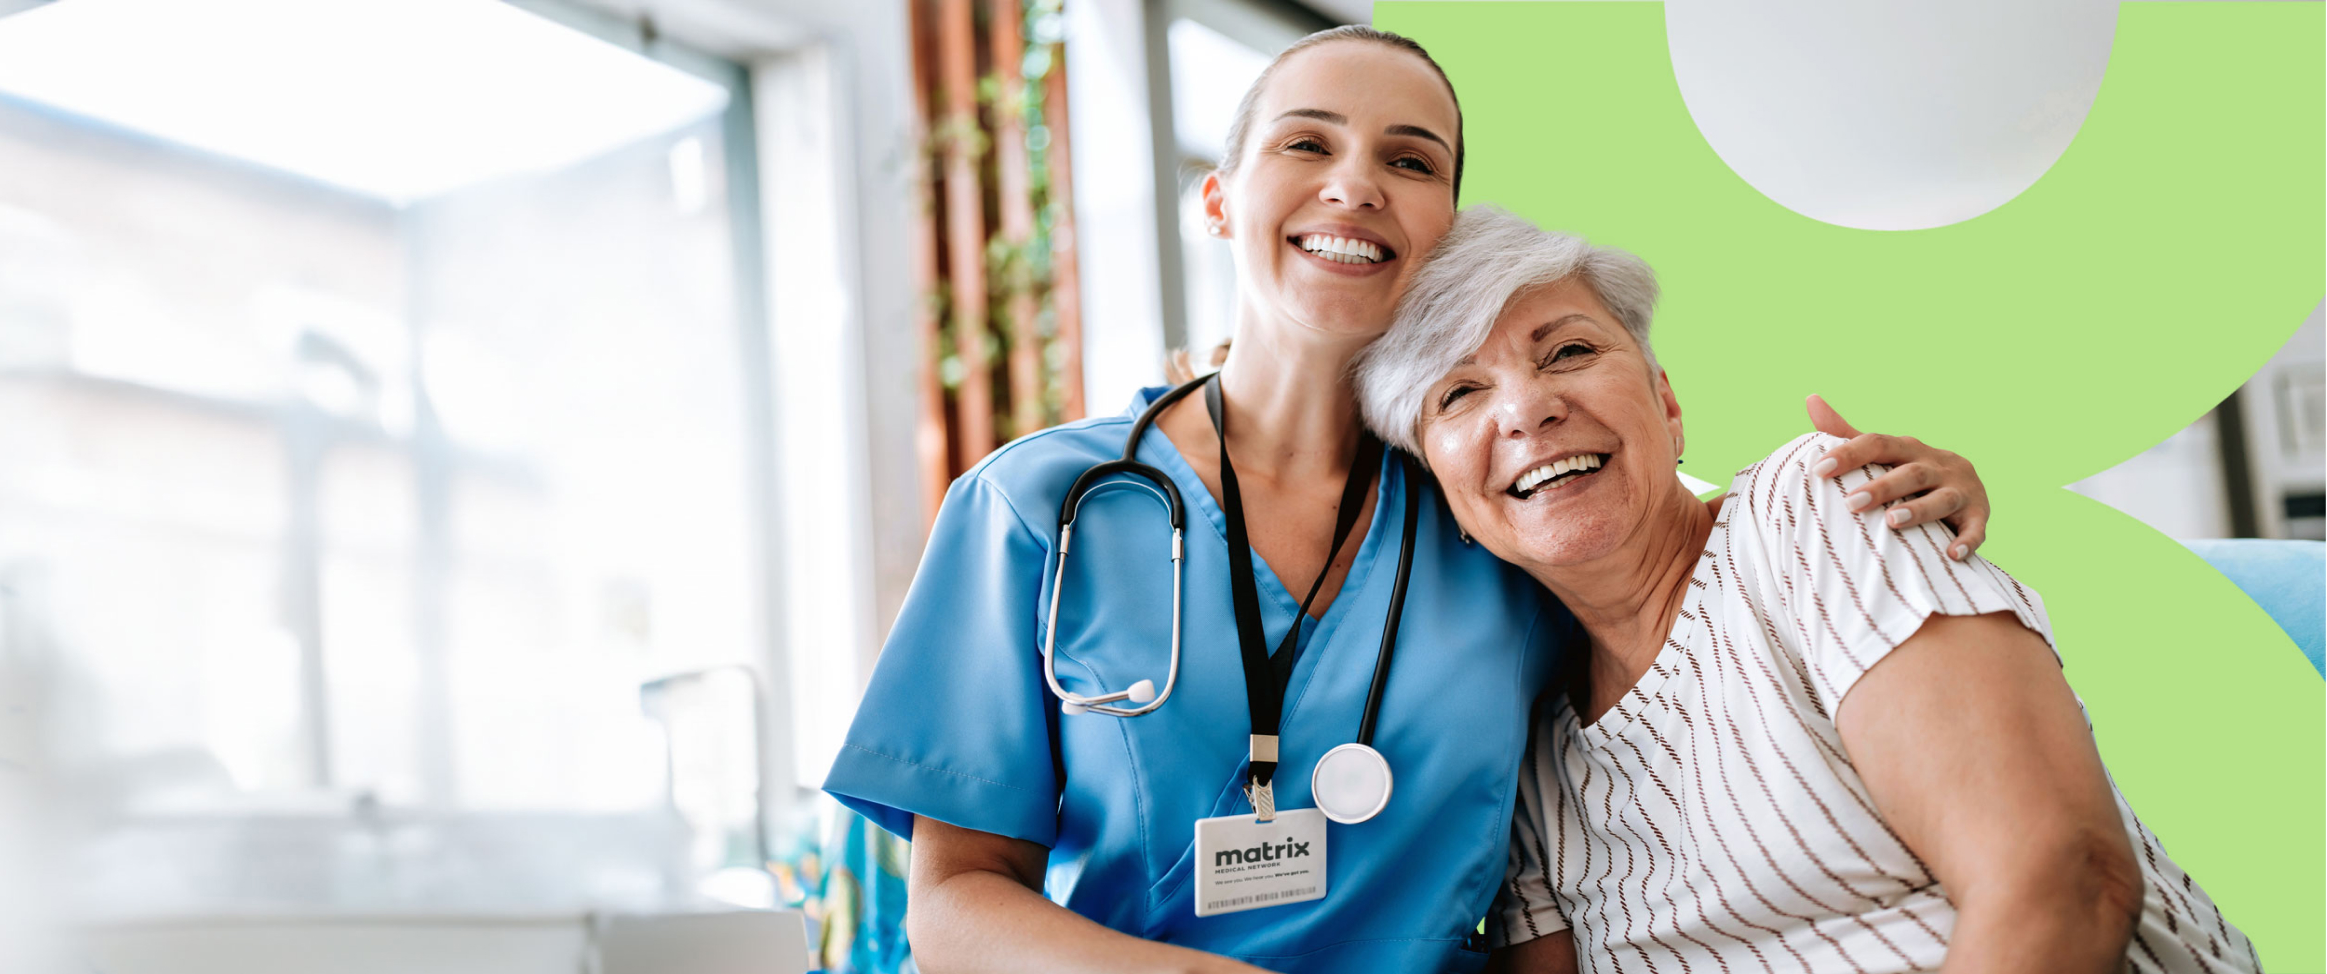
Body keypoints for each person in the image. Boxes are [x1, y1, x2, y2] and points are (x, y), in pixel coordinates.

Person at [822, 26, 1997, 974]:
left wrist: (1896, 488)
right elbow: (958, 905)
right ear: (1221, 199)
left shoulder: (1496, 498)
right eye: (1304, 144)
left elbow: (1705, 560)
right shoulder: (1041, 505)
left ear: (1443, 229)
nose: (1354, 185)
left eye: (1408, 158)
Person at [1358, 205, 2256, 973]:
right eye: (1459, 394)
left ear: (1667, 406)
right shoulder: (1522, 747)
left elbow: (2065, 881)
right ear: (1443, 498)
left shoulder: (1811, 512)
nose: (1526, 409)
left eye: (1568, 351)